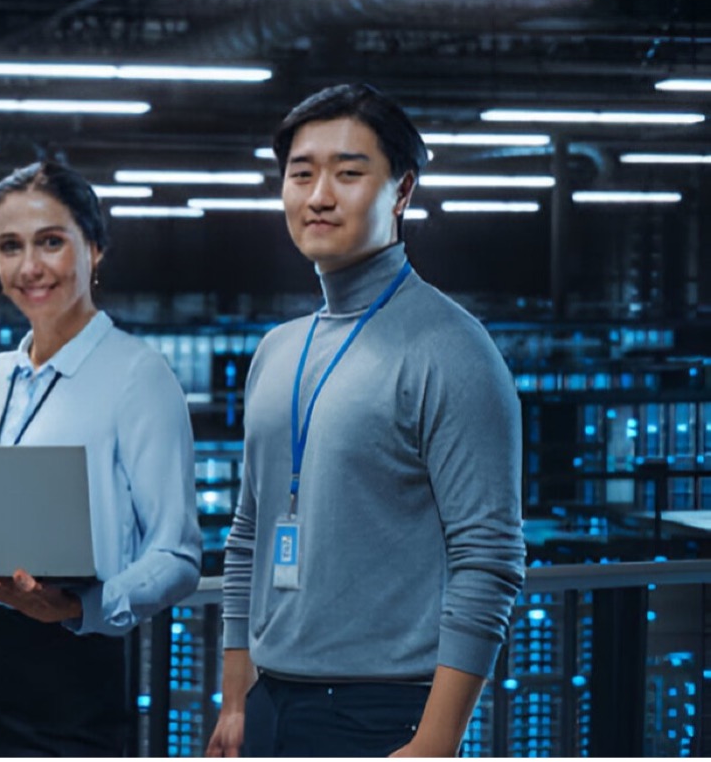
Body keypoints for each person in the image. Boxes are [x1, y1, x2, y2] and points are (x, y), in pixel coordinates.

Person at [205, 84, 526, 758]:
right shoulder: (276, 350)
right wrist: (236, 698)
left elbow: (487, 558)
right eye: (301, 173)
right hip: (269, 702)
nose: (319, 194)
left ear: (401, 190)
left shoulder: (451, 349)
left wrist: (435, 742)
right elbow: (247, 536)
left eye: (348, 173)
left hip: (384, 715)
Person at [0, 160, 202, 756]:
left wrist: (77, 607)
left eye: (51, 242)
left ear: (95, 248)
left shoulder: (139, 376)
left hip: (70, 668)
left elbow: (177, 554)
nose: (29, 267)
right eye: (10, 246)